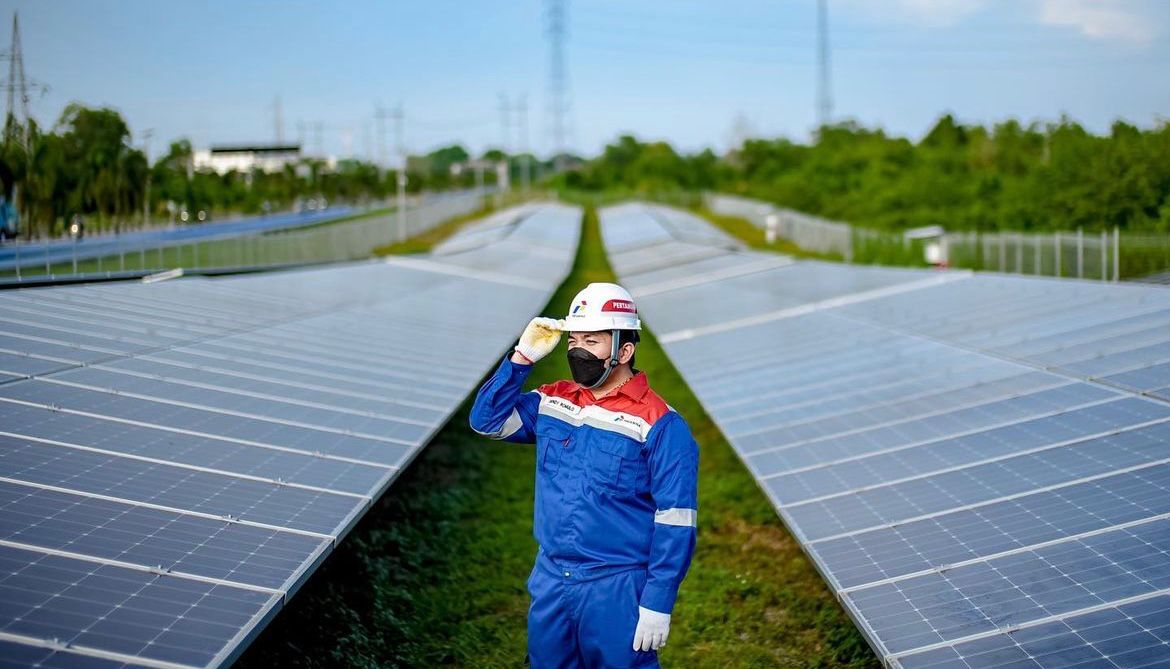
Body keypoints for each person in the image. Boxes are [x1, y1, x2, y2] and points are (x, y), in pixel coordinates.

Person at [470, 282, 699, 668]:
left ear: (624, 350)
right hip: (551, 579)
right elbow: (486, 422)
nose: (578, 351)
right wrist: (521, 359)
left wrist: (658, 600)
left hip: (616, 587)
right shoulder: (553, 400)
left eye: (592, 341)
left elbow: (676, 520)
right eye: (573, 340)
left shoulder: (662, 424)